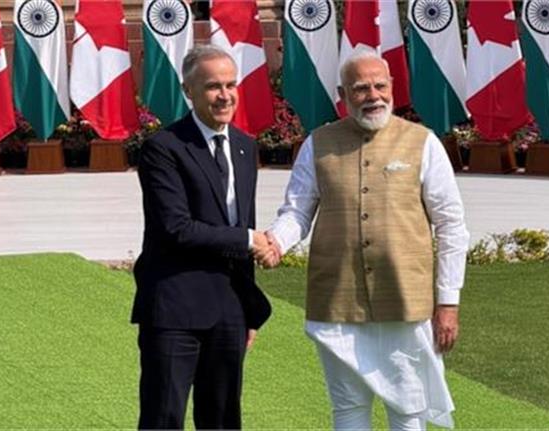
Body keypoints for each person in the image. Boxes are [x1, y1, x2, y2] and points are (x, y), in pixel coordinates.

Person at [261, 50, 469, 430]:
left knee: (408, 408)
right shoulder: (318, 143)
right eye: (361, 88)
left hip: (405, 300)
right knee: (348, 407)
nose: (373, 95)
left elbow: (451, 226)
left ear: (392, 87)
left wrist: (448, 301)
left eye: (380, 85)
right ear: (343, 94)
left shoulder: (423, 143)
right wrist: (276, 241)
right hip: (337, 301)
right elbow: (297, 212)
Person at [132, 44, 273, 430]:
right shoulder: (163, 148)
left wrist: (248, 310)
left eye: (231, 84)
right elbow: (176, 228)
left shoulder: (244, 146)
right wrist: (249, 240)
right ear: (188, 91)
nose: (225, 95)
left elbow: (241, 221)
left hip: (229, 310)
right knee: (163, 418)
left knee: (223, 419)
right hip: (174, 309)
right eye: (213, 86)